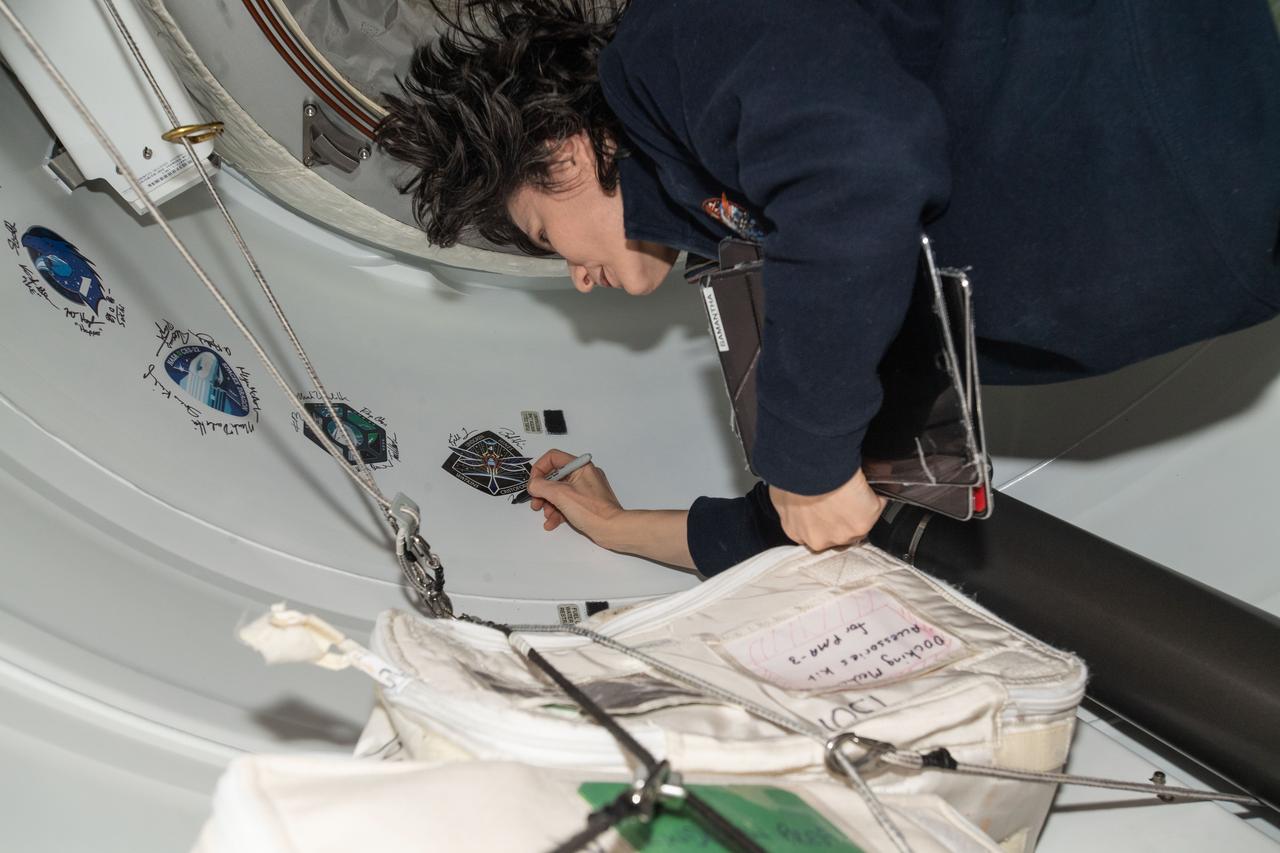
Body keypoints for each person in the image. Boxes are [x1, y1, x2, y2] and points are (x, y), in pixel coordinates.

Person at [377, 0, 1280, 577]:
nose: (580, 277)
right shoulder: (770, 253)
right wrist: (615, 528)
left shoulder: (666, 47)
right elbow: (810, 513)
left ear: (563, 151)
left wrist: (804, 457)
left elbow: (861, 155)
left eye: (545, 237)